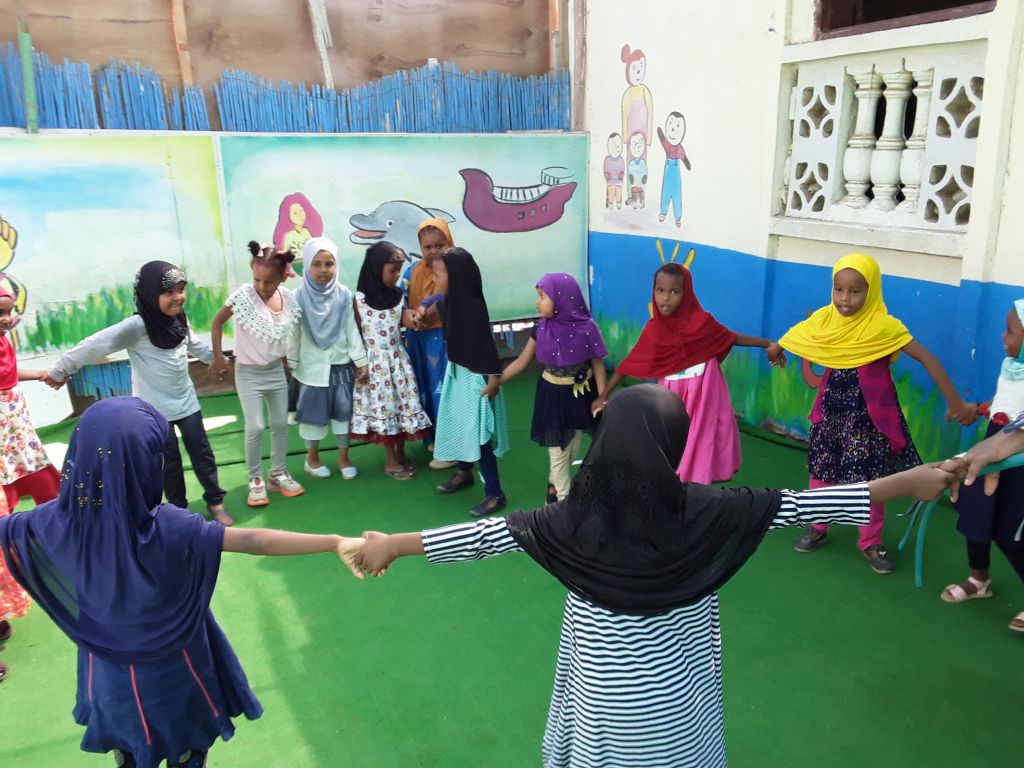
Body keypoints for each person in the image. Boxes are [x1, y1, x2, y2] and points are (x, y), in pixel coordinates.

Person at [355, 385, 958, 768]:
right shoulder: (711, 509)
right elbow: (802, 504)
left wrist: (397, 545)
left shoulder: (570, 519)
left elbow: (486, 536)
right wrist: (905, 482)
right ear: (672, 446)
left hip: (603, 700)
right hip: (677, 706)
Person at [0, 397, 365, 767]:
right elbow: (255, 540)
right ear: (148, 463)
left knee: (128, 750)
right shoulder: (170, 525)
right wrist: (333, 542)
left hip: (107, 678)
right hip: (177, 676)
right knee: (188, 753)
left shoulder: (47, 523)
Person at [767, 252, 977, 573]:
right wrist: (777, 349)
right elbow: (798, 333)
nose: (845, 298)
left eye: (855, 291)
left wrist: (956, 402)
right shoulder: (825, 318)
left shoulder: (885, 327)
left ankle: (870, 541)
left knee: (869, 481)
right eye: (839, 289)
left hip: (868, 420)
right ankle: (817, 526)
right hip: (829, 414)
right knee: (822, 472)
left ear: (872, 290)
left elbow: (927, 358)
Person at [45, 262, 234, 526]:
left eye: (181, 290)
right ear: (148, 294)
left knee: (202, 452)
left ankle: (216, 501)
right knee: (168, 462)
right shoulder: (137, 327)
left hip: (187, 402)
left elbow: (192, 343)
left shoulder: (179, 317)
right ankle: (179, 511)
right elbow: (95, 345)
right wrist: (60, 369)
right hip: (155, 410)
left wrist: (216, 359)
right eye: (169, 292)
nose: (178, 297)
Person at [593, 263, 782, 485]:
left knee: (702, 437)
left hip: (705, 393)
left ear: (687, 292)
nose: (666, 298)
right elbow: (629, 364)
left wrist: (767, 343)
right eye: (660, 290)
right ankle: (673, 487)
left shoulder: (702, 322)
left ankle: (699, 488)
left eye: (674, 291)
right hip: (672, 398)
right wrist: (604, 394)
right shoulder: (654, 330)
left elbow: (730, 337)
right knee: (673, 440)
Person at [939, 299, 1024, 632]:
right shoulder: (1012, 366)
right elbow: (1004, 403)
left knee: (1012, 535)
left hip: (1017, 463)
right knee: (975, 522)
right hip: (992, 450)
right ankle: (979, 580)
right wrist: (978, 408)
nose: (1004, 337)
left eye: (1011, 332)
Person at [499, 273, 607, 502]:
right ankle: (563, 503)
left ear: (562, 299)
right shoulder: (540, 328)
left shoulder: (587, 328)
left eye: (542, 296)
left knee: (572, 449)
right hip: (552, 396)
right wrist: (495, 382)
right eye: (537, 296)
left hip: (581, 395)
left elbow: (598, 364)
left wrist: (602, 397)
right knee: (558, 452)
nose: (537, 302)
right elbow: (521, 361)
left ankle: (554, 483)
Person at [417, 247, 509, 517]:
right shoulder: (449, 303)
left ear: (456, 278)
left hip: (477, 378)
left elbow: (487, 345)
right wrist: (422, 313)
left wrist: (493, 379)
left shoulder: (472, 308)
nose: (435, 281)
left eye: (439, 275)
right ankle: (464, 471)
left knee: (479, 435)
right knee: (459, 423)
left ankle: (495, 493)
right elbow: (435, 300)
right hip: (458, 372)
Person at [211, 242, 304, 507]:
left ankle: (277, 473)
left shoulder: (287, 298)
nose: (262, 287)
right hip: (248, 373)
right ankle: (255, 479)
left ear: (283, 277)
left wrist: (288, 366)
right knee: (255, 426)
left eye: (269, 281)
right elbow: (217, 321)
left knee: (280, 424)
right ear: (252, 272)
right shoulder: (244, 296)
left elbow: (282, 336)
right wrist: (218, 356)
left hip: (275, 372)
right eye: (257, 279)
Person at [351, 241, 432, 479]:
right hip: (376, 367)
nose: (396, 276)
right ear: (376, 269)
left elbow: (403, 318)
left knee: (403, 406)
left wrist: (414, 318)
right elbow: (354, 333)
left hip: (398, 362)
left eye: (398, 270)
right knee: (385, 410)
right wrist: (359, 363)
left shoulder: (398, 297)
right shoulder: (359, 300)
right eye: (392, 271)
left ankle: (400, 453)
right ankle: (390, 460)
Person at [289, 238, 368, 480]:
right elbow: (293, 335)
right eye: (317, 264)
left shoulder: (343, 294)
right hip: (310, 369)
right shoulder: (298, 297)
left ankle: (344, 458)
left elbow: (351, 329)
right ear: (307, 267)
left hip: (341, 367)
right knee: (313, 417)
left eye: (329, 264)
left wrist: (361, 361)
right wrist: (291, 364)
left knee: (344, 415)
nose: (324, 270)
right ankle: (312, 460)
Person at [402, 218, 456, 470]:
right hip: (417, 339)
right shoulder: (411, 271)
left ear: (450, 243)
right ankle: (431, 437)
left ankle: (451, 444)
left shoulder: (457, 269)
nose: (434, 252)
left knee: (441, 390)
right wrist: (409, 316)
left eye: (440, 245)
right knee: (421, 386)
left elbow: (447, 296)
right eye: (428, 247)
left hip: (443, 338)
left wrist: (425, 313)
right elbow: (399, 299)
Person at [0, 287, 61, 512]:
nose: (6, 320)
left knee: (33, 468)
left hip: (17, 429)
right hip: (3, 433)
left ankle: (51, 523)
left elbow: (7, 374)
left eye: (9, 312)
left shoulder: (4, 342)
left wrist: (39, 374)